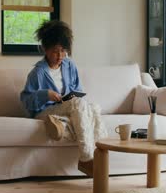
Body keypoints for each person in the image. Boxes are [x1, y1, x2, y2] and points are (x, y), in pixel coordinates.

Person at [20, 20, 107, 177]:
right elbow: (26, 102)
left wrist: (72, 96)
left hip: (66, 109)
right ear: (45, 49)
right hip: (44, 112)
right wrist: (45, 94)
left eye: (63, 51)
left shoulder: (69, 66)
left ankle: (63, 129)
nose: (60, 56)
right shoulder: (37, 73)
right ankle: (87, 159)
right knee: (79, 105)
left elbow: (78, 90)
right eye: (55, 51)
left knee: (94, 108)